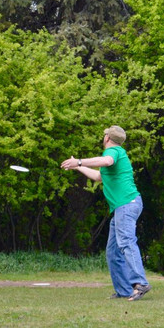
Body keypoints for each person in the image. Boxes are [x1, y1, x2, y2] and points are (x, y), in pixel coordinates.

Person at [61, 126, 151, 301]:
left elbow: (107, 161)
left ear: (108, 138)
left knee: (126, 242)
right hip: (122, 207)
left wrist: (79, 161)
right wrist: (77, 167)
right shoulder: (114, 155)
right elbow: (98, 177)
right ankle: (124, 290)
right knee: (113, 251)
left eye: (104, 135)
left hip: (127, 204)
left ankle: (141, 283)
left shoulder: (115, 152)